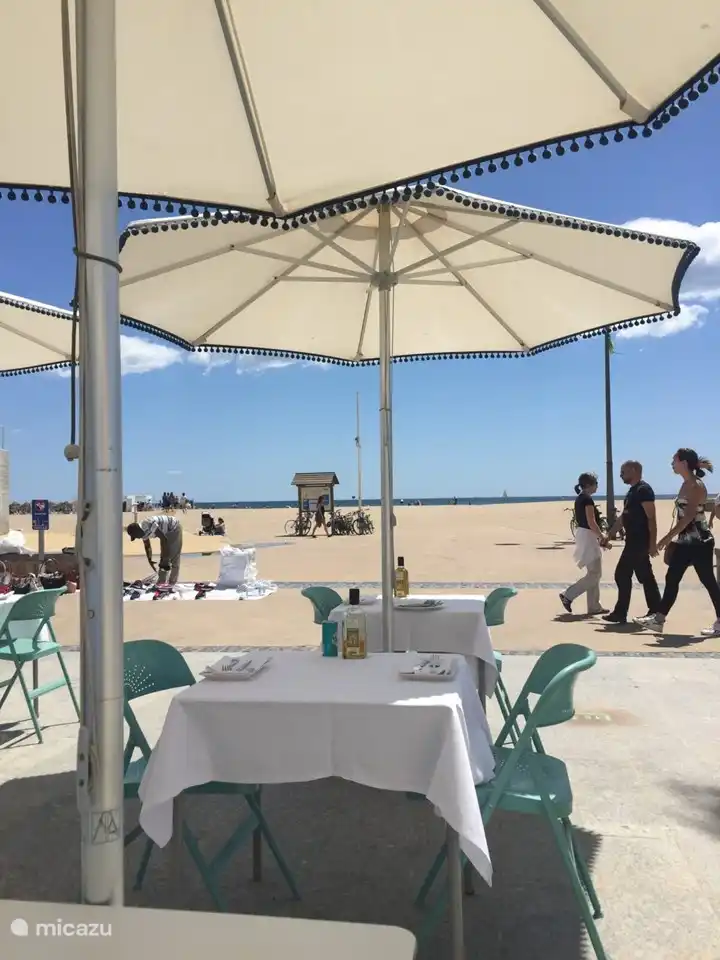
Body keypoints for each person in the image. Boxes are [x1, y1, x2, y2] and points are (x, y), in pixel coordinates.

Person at [634, 449, 720, 636]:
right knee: (672, 578)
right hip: (685, 541)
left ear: (684, 463)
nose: (671, 463)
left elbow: (689, 517)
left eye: (674, 460)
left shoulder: (696, 485)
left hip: (699, 541)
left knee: (708, 582)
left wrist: (666, 538)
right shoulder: (686, 484)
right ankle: (659, 620)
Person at [601, 460, 661, 624]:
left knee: (622, 574)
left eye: (623, 471)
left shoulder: (644, 490)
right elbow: (624, 517)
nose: (620, 475)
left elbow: (651, 517)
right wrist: (610, 534)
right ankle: (656, 611)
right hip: (632, 540)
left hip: (640, 541)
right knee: (645, 575)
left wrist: (653, 543)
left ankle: (621, 613)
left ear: (634, 470)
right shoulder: (632, 492)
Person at [559, 472, 609, 615]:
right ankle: (568, 595)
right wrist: (601, 537)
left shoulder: (581, 498)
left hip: (584, 534)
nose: (597, 486)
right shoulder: (587, 499)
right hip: (588, 535)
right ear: (589, 485)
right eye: (596, 484)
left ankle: (594, 606)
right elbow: (591, 521)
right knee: (594, 573)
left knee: (593, 572)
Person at [126, 513, 183, 585]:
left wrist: (165, 557)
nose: (138, 538)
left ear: (137, 531)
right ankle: (161, 582)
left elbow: (163, 539)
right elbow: (147, 547)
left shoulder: (148, 524)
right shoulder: (142, 534)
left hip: (174, 528)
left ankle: (172, 582)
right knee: (164, 558)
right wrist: (150, 560)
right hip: (165, 533)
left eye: (135, 536)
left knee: (174, 557)